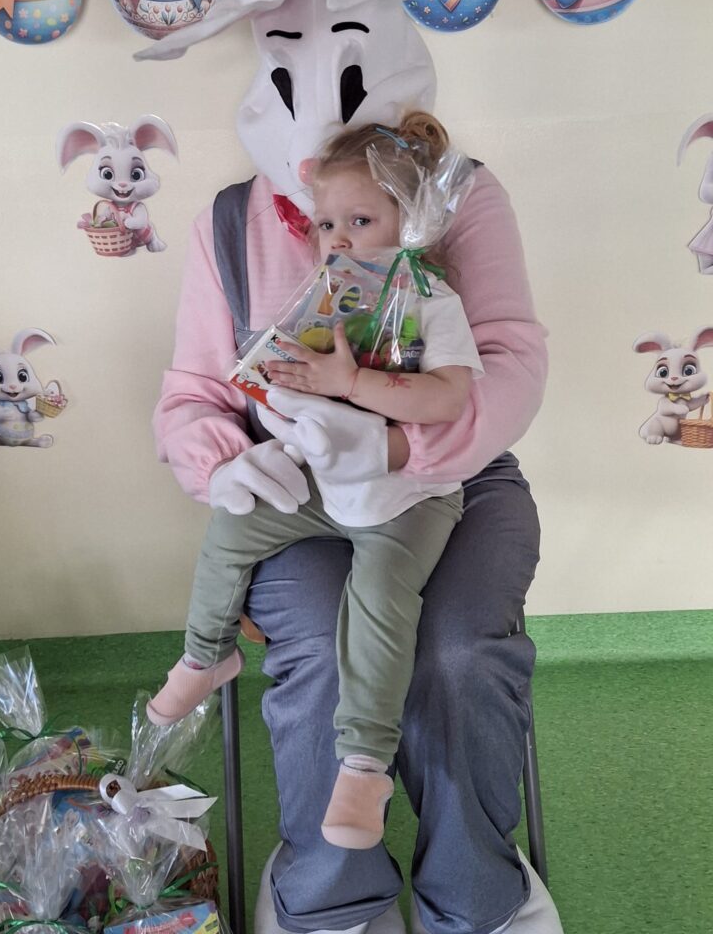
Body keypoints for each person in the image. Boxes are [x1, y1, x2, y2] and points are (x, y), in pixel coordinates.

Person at [142, 0, 563, 934]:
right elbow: (192, 393)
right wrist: (226, 465)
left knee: (457, 652)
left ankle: (476, 894)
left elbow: (510, 364)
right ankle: (333, 898)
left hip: (451, 479)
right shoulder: (230, 223)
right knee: (328, 648)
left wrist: (399, 451)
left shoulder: (457, 196)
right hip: (294, 483)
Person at [147, 112, 483, 851]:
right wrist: (273, 387)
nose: (339, 239)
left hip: (407, 497)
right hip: (325, 481)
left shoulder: (431, 299)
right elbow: (279, 386)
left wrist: (353, 383)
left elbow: (449, 399)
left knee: (378, 600)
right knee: (234, 523)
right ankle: (207, 653)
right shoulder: (329, 297)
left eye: (361, 220)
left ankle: (364, 765)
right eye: (327, 224)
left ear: (409, 221)